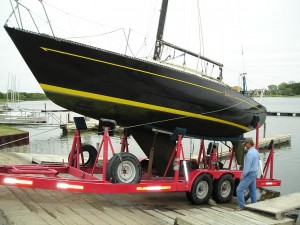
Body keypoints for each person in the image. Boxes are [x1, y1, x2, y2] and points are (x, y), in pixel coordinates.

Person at [235, 137, 260, 211]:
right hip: (254, 173)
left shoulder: (249, 154)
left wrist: (242, 176)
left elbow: (247, 167)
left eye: (245, 144)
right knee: (252, 191)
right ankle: (254, 206)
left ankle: (241, 206)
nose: (244, 145)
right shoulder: (256, 151)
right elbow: (258, 164)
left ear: (249, 143)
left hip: (249, 174)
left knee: (239, 189)